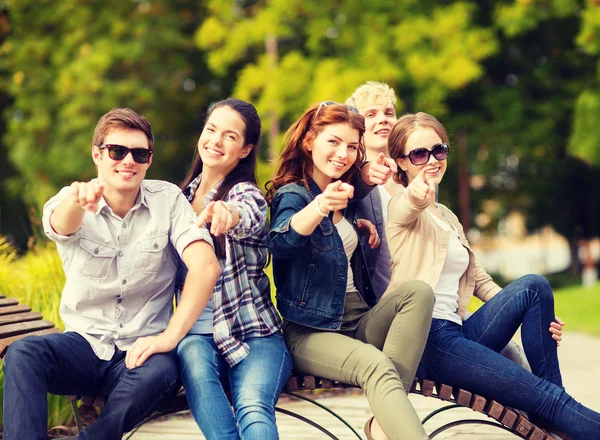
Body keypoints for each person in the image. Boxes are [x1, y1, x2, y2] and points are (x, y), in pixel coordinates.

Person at [3, 108, 221, 440]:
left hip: (142, 353)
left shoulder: (169, 201)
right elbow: (61, 225)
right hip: (84, 346)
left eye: (140, 153)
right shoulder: (72, 198)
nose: (128, 161)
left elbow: (206, 266)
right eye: (117, 151)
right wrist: (78, 202)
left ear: (149, 160)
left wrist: (169, 337)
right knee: (23, 354)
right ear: (97, 154)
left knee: (161, 372)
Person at [386, 111, 600, 440]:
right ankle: (557, 411)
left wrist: (541, 316)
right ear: (401, 162)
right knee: (546, 399)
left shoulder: (445, 215)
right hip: (428, 343)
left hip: (458, 334)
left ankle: (555, 410)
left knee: (534, 287)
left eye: (439, 150)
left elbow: (481, 281)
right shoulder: (399, 207)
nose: (432, 160)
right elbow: (406, 209)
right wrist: (415, 195)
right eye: (419, 154)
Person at [266, 102, 434, 440]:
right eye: (334, 142)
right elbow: (281, 243)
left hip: (360, 320)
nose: (343, 153)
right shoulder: (295, 196)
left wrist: (355, 226)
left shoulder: (344, 195)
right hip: (310, 332)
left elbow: (336, 234)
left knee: (418, 292)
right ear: (309, 141)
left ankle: (384, 423)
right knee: (377, 367)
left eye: (352, 146)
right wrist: (320, 207)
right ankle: (391, 427)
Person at [173, 98, 291, 440]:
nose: (216, 141)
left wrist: (228, 213)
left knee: (253, 407)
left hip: (255, 334)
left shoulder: (245, 194)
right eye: (211, 130)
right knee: (190, 355)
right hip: (198, 336)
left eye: (229, 136)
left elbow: (248, 214)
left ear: (245, 149)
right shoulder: (178, 200)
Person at [346, 81, 402, 300]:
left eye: (389, 112)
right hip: (378, 302)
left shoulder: (413, 176)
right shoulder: (348, 177)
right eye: (371, 114)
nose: (383, 119)